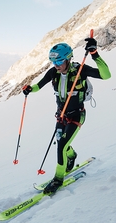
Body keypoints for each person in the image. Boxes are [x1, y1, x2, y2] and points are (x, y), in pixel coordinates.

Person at [22, 37, 111, 194]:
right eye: (53, 62)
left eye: (59, 61)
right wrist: (30, 88)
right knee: (62, 144)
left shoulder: (80, 70)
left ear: (68, 59)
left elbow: (106, 75)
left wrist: (94, 53)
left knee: (62, 145)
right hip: (61, 116)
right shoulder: (53, 73)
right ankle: (71, 156)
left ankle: (58, 179)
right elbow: (38, 86)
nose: (56, 65)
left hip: (77, 116)